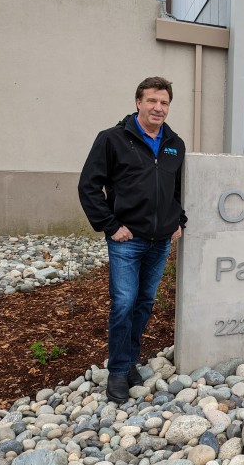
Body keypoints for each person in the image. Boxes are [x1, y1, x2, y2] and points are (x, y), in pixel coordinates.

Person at [78, 76, 186, 403]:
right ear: (138, 102)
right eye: (152, 101)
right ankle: (118, 371)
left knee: (144, 303)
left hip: (160, 240)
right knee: (124, 304)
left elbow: (178, 190)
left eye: (164, 102)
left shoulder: (174, 144)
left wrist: (177, 221)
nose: (158, 108)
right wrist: (110, 225)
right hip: (127, 239)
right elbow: (88, 187)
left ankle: (128, 363)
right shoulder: (112, 140)